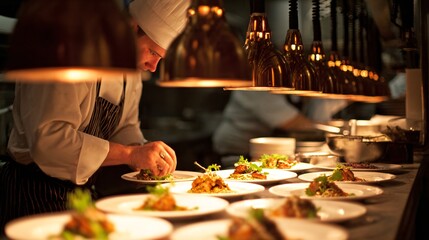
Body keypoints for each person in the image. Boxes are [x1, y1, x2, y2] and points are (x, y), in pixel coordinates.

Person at [0, 0, 190, 231]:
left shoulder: (130, 71)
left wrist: (146, 155)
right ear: (131, 27)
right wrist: (130, 154)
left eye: (160, 58)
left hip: (83, 196)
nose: (153, 66)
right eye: (152, 52)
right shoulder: (71, 51)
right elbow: (49, 141)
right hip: (32, 194)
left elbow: (125, 127)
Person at [212, 90, 348, 166]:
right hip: (234, 152)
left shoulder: (282, 86)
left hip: (261, 153)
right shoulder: (255, 88)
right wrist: (335, 129)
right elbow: (293, 122)